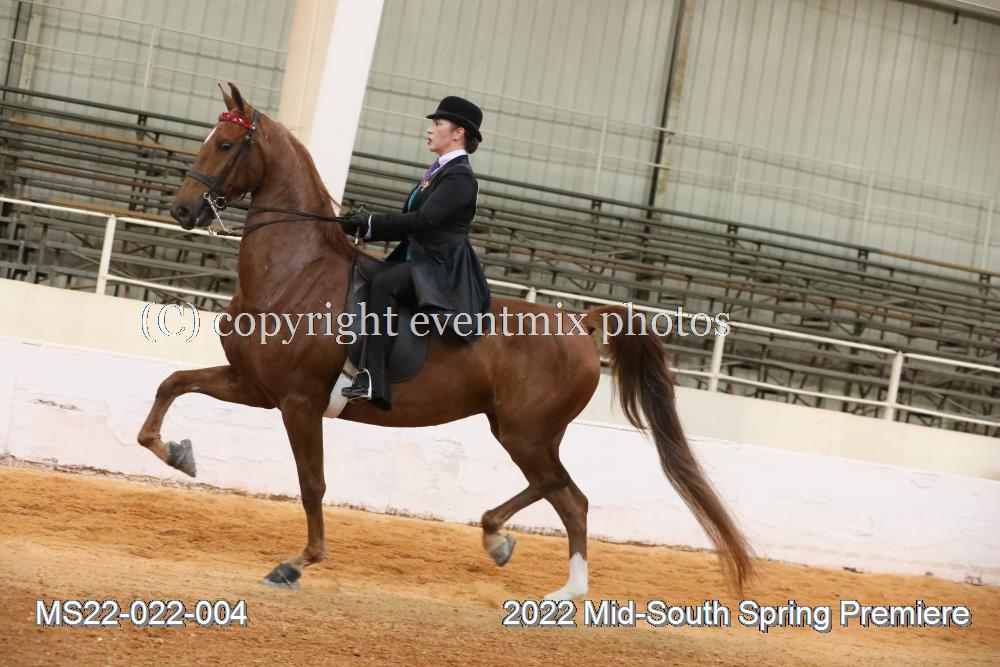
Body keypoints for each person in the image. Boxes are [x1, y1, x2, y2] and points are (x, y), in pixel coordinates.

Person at [338, 96, 492, 410]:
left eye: (437, 124)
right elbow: (410, 222)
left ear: (458, 133)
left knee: (385, 284)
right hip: (420, 258)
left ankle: (373, 377)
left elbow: (423, 221)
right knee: (362, 268)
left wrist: (372, 222)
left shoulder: (460, 178)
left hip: (440, 266)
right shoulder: (437, 173)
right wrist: (364, 226)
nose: (429, 129)